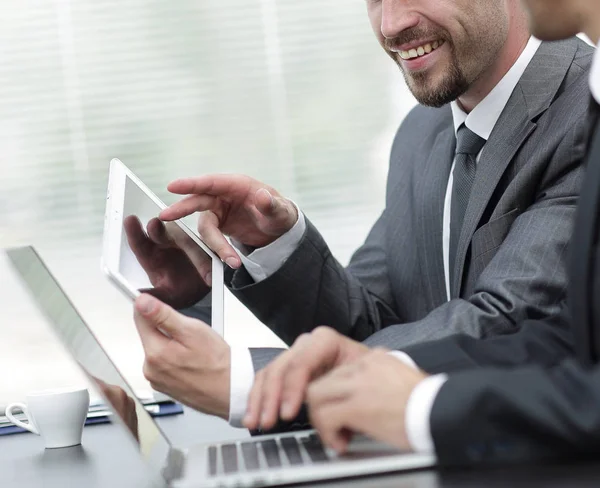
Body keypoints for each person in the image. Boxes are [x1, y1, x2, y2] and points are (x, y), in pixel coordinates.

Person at [127, 0, 593, 431]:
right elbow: (365, 330)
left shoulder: (586, 112)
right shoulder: (420, 134)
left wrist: (253, 380)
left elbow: (508, 323)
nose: (391, 24)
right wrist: (275, 242)